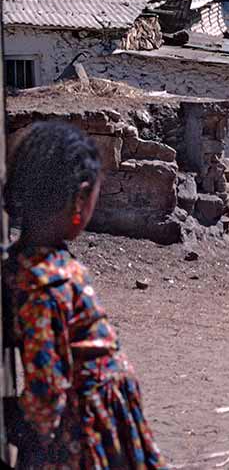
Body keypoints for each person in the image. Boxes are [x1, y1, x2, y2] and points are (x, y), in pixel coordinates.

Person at [3, 122, 166, 469]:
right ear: (79, 199)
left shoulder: (36, 265)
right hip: (88, 434)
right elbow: (47, 384)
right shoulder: (45, 284)